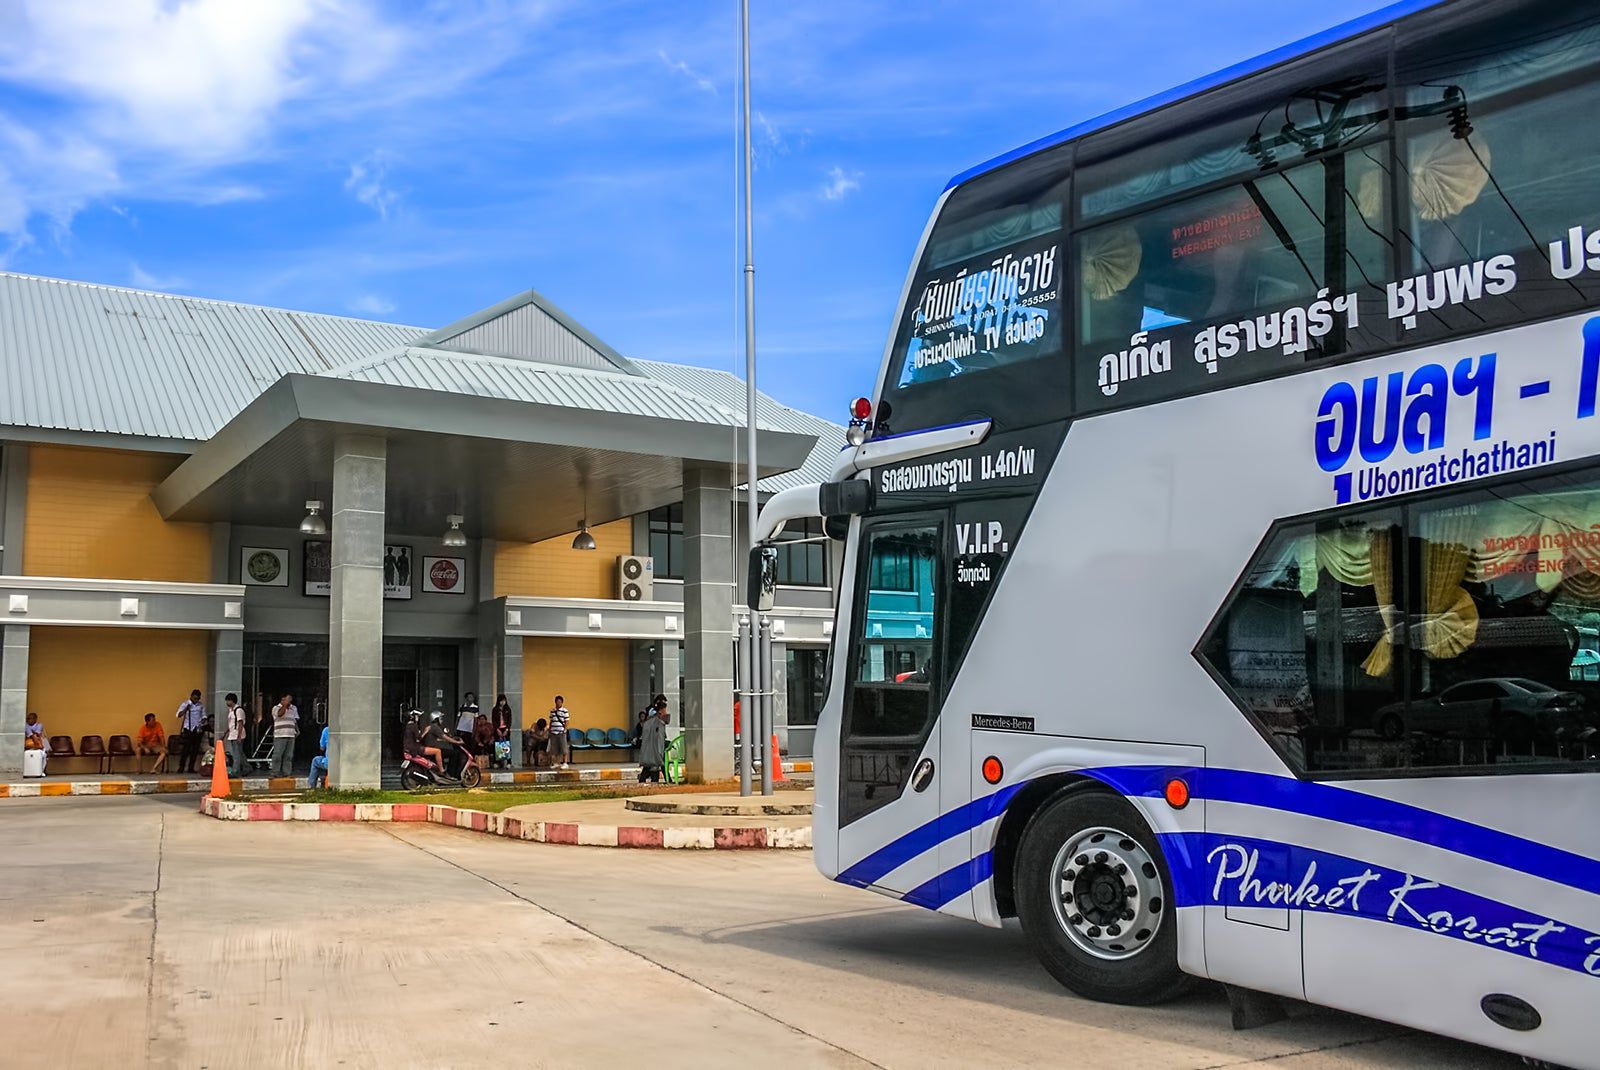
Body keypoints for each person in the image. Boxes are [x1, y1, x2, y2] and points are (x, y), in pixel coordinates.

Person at [175, 689, 207, 773]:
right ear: (191, 696)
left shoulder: (201, 705)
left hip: (197, 729)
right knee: (186, 750)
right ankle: (181, 767)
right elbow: (178, 715)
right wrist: (186, 709)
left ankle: (191, 768)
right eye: (194, 698)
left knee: (195, 750)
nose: (195, 700)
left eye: (197, 699)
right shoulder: (185, 704)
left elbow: (204, 716)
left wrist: (203, 721)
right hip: (188, 729)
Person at [638, 698, 669, 783]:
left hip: (651, 752)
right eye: (664, 710)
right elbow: (657, 738)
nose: (666, 713)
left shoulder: (652, 722)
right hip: (654, 752)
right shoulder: (656, 723)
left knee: (650, 768)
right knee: (653, 770)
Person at [269, 693, 299, 777]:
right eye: (285, 699)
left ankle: (287, 773)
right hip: (280, 734)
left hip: (290, 734)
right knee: (278, 755)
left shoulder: (293, 708)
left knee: (289, 755)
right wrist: (285, 705)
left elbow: (294, 720)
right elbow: (280, 714)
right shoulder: (276, 708)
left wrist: (296, 729)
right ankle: (275, 772)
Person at [223, 694, 246, 775]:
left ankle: (235, 771)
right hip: (232, 734)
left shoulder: (238, 710)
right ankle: (247, 768)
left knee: (236, 754)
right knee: (239, 753)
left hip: (237, 734)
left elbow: (240, 723)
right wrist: (226, 733)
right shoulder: (231, 711)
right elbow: (231, 724)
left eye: (228, 700)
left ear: (231, 700)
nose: (227, 702)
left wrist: (239, 736)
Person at [547, 695, 570, 768]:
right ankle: (555, 763)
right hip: (553, 732)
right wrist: (550, 730)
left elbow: (567, 721)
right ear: (555, 702)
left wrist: (565, 730)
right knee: (554, 748)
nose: (558, 703)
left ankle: (565, 762)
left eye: (560, 702)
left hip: (561, 732)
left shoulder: (565, 711)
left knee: (563, 747)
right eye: (557, 702)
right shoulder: (552, 711)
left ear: (562, 703)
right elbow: (551, 721)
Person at [308, 724, 330, 789]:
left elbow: (322, 748)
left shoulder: (326, 730)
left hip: (329, 763)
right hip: (344, 762)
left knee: (315, 760)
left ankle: (312, 786)